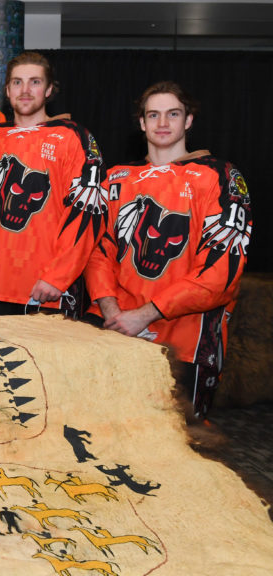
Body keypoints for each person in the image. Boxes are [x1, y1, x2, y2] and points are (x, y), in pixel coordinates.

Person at [85, 82, 251, 419]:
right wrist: (111, 311)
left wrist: (144, 315)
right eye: (153, 115)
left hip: (186, 341)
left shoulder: (220, 176)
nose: (162, 123)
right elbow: (98, 251)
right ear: (142, 123)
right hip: (115, 331)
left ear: (188, 120)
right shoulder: (116, 178)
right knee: (104, 433)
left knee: (176, 441)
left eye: (173, 114)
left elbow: (220, 273)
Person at [0, 51, 108, 317]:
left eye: (35, 82)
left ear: (49, 89)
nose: (25, 90)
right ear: (7, 91)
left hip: (45, 292)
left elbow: (89, 213)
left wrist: (58, 276)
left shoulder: (74, 137)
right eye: (17, 82)